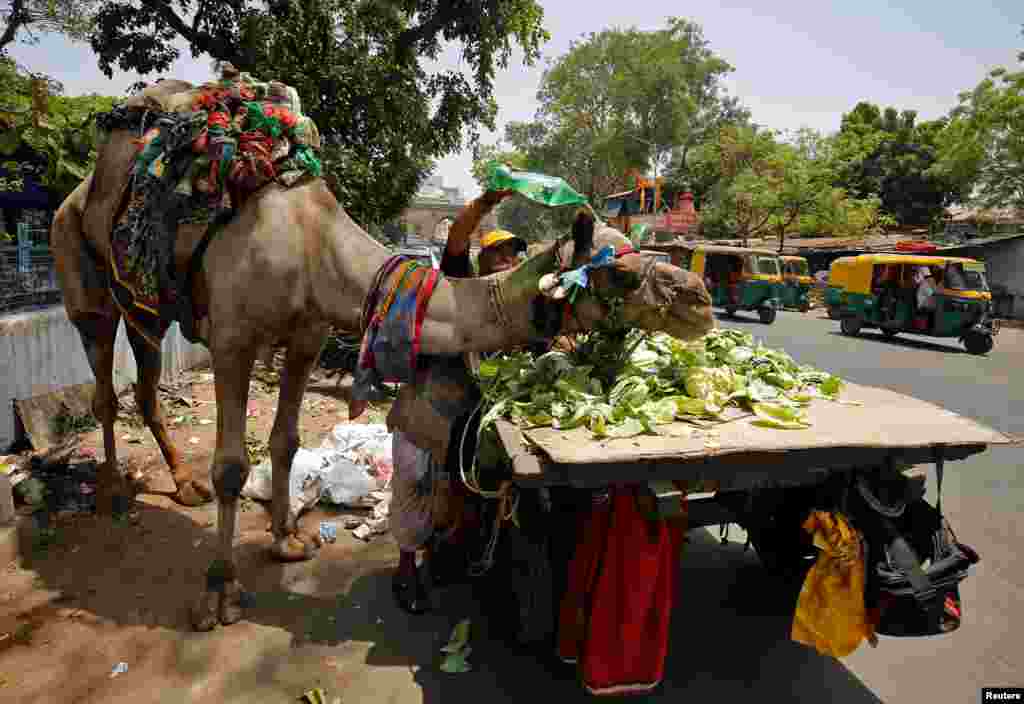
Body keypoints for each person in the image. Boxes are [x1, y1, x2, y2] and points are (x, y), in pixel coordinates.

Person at [390, 189, 532, 614]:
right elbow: (456, 239)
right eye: (498, 254)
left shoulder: (515, 311)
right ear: (480, 261)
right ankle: (405, 568)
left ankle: (442, 557)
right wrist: (485, 203)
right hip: (424, 409)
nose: (507, 261)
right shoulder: (462, 286)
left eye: (513, 255)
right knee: (412, 487)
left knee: (450, 492)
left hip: (463, 419)